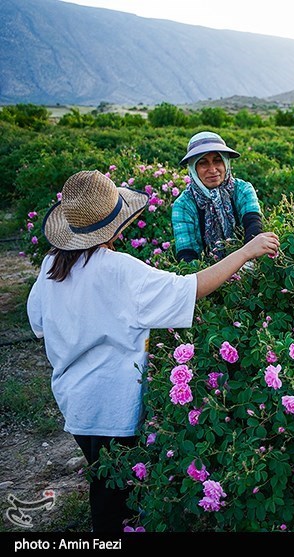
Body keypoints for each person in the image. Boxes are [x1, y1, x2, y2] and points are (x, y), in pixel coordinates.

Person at [26, 170, 280, 532]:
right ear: (116, 224)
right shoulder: (118, 270)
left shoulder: (52, 264)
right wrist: (246, 251)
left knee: (104, 480)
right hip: (114, 406)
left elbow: (37, 322)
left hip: (74, 401)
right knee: (115, 497)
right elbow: (191, 288)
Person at [172, 130, 264, 262]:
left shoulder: (242, 190)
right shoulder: (184, 205)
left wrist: (246, 262)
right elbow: (187, 255)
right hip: (205, 276)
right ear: (193, 168)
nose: (213, 169)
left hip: (247, 264)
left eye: (217, 160)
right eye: (203, 163)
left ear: (226, 163)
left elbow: (253, 226)